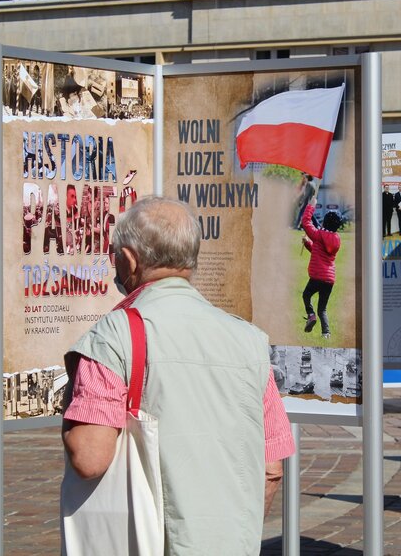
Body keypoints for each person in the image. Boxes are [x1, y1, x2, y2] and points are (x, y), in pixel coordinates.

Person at [61, 197, 294, 554]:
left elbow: (89, 458)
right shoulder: (249, 339)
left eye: (113, 255)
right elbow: (271, 469)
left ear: (130, 258)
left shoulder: (114, 335)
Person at [300, 196, 341, 338]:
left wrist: (311, 205)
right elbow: (319, 252)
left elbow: (305, 222)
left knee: (306, 295)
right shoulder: (336, 239)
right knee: (322, 308)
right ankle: (326, 333)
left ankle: (311, 316)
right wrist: (307, 244)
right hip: (329, 280)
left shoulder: (318, 235)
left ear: (325, 221)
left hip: (317, 277)